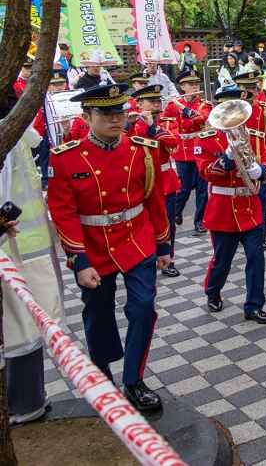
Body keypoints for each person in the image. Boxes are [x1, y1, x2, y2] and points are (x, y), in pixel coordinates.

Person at [46, 83, 171, 412]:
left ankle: (134, 379)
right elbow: (64, 212)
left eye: (121, 112)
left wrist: (162, 244)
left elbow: (154, 199)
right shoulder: (65, 157)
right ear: (87, 116)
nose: (117, 119)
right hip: (93, 247)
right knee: (98, 313)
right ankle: (102, 373)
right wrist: (79, 260)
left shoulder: (143, 149)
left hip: (137, 238)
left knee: (143, 307)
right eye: (106, 113)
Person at [1, 102, 64, 425]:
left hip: (19, 249)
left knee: (23, 331)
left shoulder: (12, 138)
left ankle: (27, 404)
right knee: (22, 331)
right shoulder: (16, 137)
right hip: (18, 251)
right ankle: (25, 404)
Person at [196, 85, 266, 323]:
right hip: (223, 208)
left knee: (256, 257)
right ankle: (212, 290)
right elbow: (206, 172)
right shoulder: (207, 138)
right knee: (222, 259)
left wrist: (261, 170)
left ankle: (254, 305)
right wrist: (227, 157)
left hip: (251, 205)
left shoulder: (255, 136)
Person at [128, 85, 181, 277]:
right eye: (152, 101)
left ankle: (168, 258)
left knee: (167, 223)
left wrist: (153, 127)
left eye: (158, 101)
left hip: (165, 181)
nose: (157, 105)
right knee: (142, 224)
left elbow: (173, 142)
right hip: (141, 183)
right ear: (140, 104)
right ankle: (145, 258)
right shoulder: (132, 125)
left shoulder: (164, 123)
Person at [164, 70, 211, 234]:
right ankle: (177, 212)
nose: (195, 86)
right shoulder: (171, 105)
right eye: (190, 84)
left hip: (199, 149)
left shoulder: (204, 104)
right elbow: (167, 125)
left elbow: (201, 119)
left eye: (196, 83)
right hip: (182, 150)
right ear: (182, 87)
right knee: (183, 188)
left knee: (202, 188)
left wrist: (183, 109)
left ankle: (199, 221)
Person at [234, 70, 266, 250]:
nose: (253, 91)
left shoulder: (263, 108)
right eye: (248, 88)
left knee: (262, 200)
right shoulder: (232, 108)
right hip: (235, 159)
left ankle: (260, 235)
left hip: (258, 159)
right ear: (239, 88)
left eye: (254, 87)